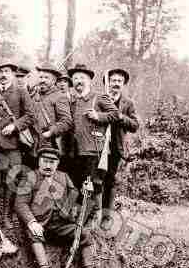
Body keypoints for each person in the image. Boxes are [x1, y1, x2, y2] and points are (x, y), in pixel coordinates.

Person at [15, 147, 98, 268]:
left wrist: (86, 192)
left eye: (52, 162)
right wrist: (32, 222)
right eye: (45, 161)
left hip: (61, 225)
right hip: (40, 224)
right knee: (35, 235)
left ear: (57, 163)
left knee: (85, 234)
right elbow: (20, 203)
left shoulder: (63, 177)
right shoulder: (30, 177)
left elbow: (73, 195)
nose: (48, 165)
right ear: (39, 162)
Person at [0, 62, 35, 229]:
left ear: (13, 74)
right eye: (1, 72)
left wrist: (14, 126)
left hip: (13, 145)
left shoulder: (21, 92)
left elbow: (31, 116)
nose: (3, 75)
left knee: (12, 180)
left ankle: (8, 217)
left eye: (7, 71)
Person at [67, 64, 119, 227]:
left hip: (92, 151)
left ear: (89, 80)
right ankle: (77, 221)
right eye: (75, 78)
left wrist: (98, 115)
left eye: (82, 77)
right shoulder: (73, 101)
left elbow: (116, 114)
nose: (78, 81)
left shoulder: (99, 98)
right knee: (75, 186)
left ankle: (91, 223)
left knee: (91, 186)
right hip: (75, 152)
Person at [101, 68, 139, 228]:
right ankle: (89, 212)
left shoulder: (128, 103)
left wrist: (121, 117)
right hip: (96, 146)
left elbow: (135, 125)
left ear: (123, 85)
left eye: (119, 81)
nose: (115, 84)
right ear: (107, 82)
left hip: (115, 149)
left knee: (110, 182)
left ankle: (106, 217)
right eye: (113, 80)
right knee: (94, 180)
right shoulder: (100, 99)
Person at [29, 64, 73, 169]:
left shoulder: (59, 97)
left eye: (46, 78)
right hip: (31, 146)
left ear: (54, 81)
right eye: (41, 77)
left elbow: (67, 121)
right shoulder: (34, 95)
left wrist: (50, 132)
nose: (42, 80)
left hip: (49, 146)